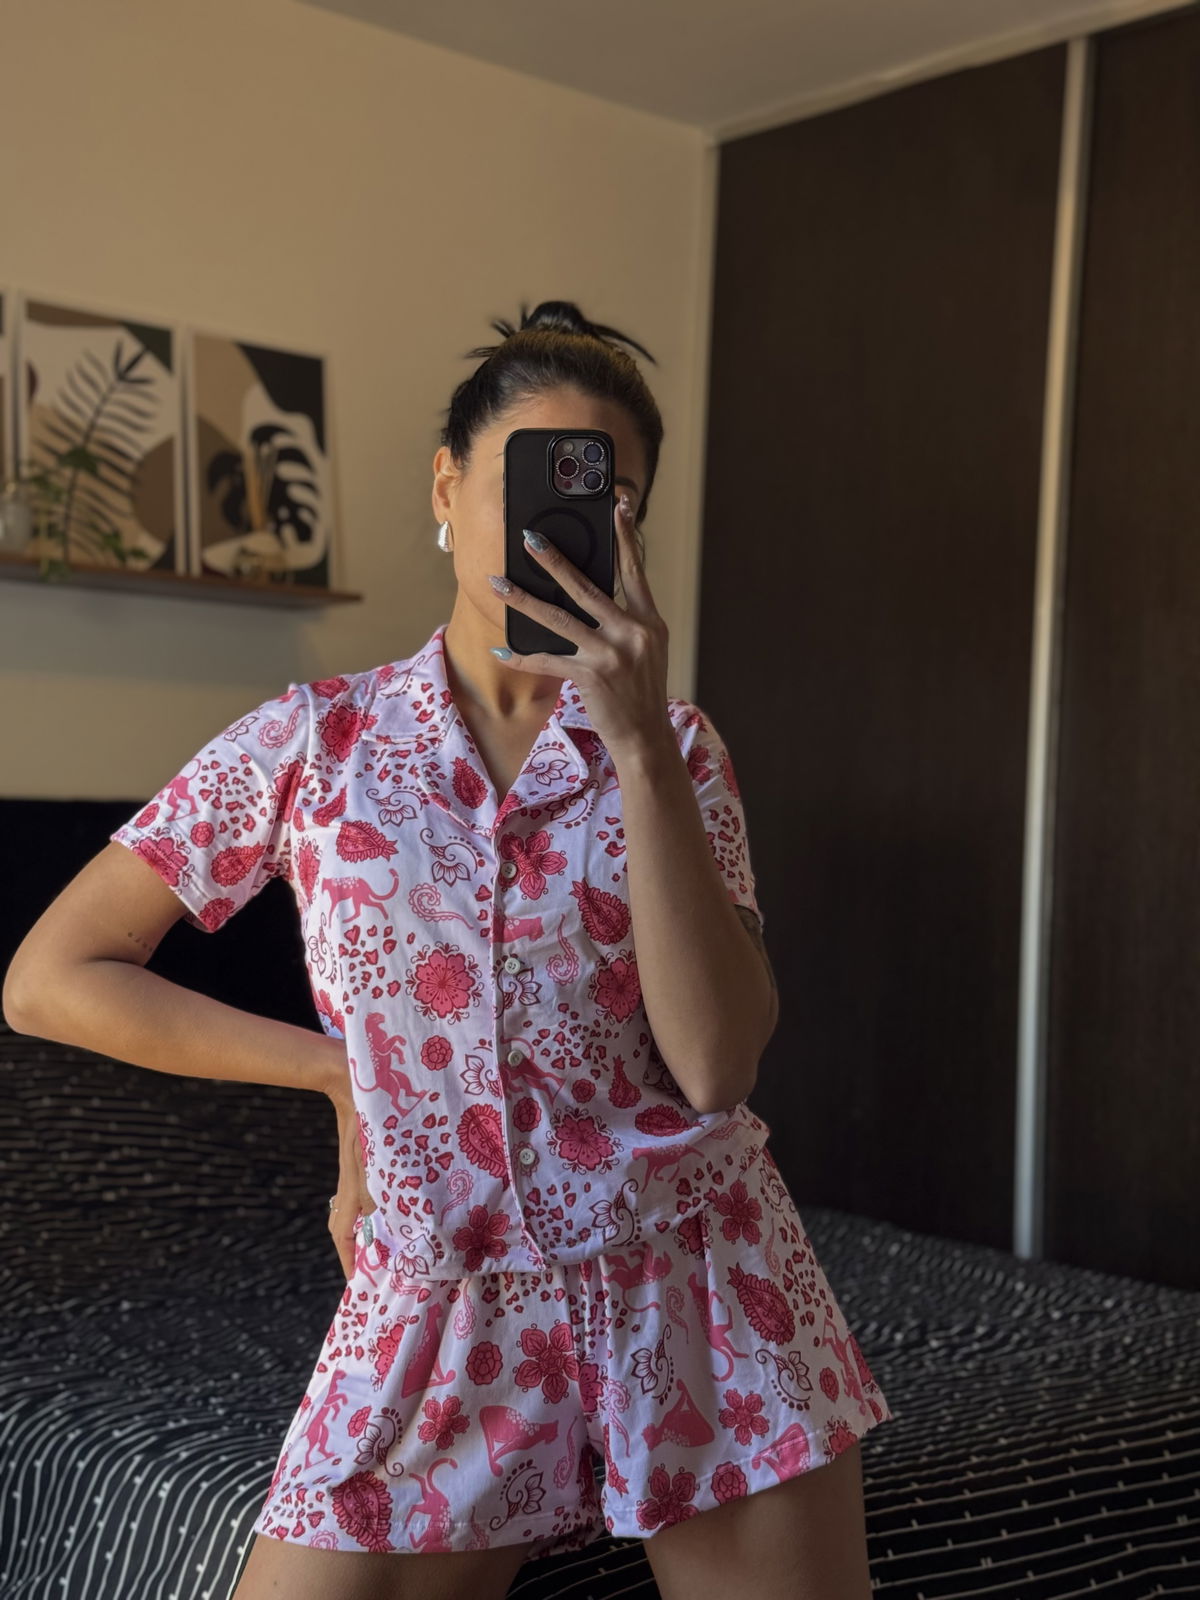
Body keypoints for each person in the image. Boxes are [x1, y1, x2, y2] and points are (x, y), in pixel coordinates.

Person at [3, 300, 894, 1600]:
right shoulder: (313, 745)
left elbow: (715, 1067)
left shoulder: (678, 750)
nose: (563, 525)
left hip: (694, 1275)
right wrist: (336, 1076)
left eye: (609, 499)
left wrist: (636, 742)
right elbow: (48, 980)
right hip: (437, 1287)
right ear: (445, 487)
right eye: (532, 479)